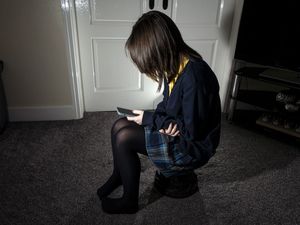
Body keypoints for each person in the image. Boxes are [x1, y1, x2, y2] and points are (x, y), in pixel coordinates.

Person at [97, 10, 221, 214]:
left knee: (125, 137)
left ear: (161, 50)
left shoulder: (195, 78)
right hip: (181, 131)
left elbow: (191, 133)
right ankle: (119, 174)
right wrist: (151, 119)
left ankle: (129, 201)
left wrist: (151, 119)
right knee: (118, 125)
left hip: (191, 148)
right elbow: (167, 106)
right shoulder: (175, 65)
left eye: (150, 63)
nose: (150, 69)